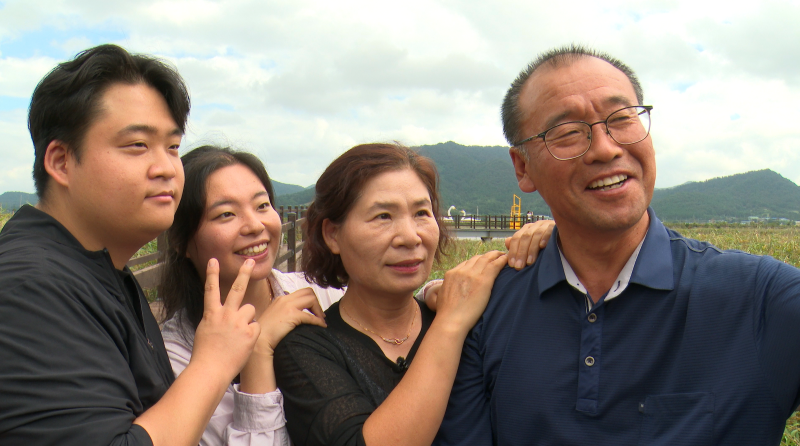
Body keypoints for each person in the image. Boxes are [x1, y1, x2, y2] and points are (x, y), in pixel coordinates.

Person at [434, 45, 800, 445]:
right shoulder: (483, 312)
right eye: (568, 132)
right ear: (523, 167)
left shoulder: (760, 298)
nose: (606, 148)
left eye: (622, 118)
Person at [158, 145, 555, 446]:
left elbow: (379, 296)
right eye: (225, 214)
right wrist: (260, 350)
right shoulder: (175, 358)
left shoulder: (313, 295)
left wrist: (554, 240)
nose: (254, 225)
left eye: (262, 205)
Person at [0, 45, 262, 446]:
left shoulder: (99, 270)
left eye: (172, 147)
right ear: (61, 162)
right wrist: (213, 363)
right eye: (138, 145)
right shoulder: (30, 288)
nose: (167, 168)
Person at [272, 143, 510, 446]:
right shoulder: (307, 348)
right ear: (332, 234)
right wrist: (450, 324)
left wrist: (546, 237)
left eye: (422, 213)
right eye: (383, 216)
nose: (410, 237)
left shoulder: (475, 320)